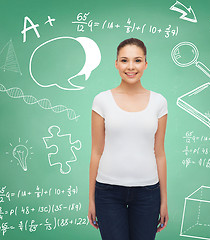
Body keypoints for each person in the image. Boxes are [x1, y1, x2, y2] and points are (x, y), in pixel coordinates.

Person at [88, 38, 169, 240]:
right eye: (124, 60)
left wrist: (164, 200)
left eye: (137, 60)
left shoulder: (159, 102)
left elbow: (159, 153)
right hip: (107, 192)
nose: (131, 66)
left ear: (145, 64)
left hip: (148, 193)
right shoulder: (101, 100)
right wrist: (91, 199)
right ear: (116, 63)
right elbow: (96, 151)